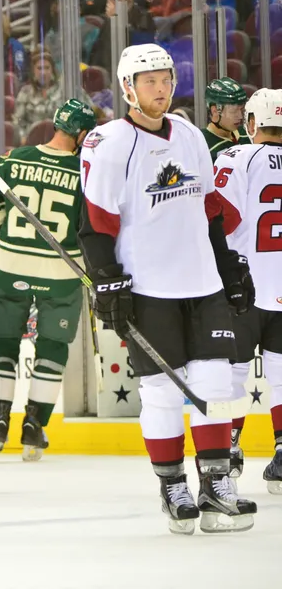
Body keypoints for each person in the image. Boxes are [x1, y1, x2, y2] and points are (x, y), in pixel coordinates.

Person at [77, 44, 256, 535]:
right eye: (149, 81)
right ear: (127, 88)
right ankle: (173, 485)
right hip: (148, 287)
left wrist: (228, 265)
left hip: (202, 283)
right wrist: (106, 279)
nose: (161, 88)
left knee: (217, 384)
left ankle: (217, 485)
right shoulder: (109, 142)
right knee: (161, 391)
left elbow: (210, 209)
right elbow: (95, 222)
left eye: (166, 79)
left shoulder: (191, 134)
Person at [0, 98, 96, 462]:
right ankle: (34, 425)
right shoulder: (85, 172)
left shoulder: (14, 159)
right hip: (61, 274)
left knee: (1, 344)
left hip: (10, 268)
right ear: (81, 133)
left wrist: (9, 232)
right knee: (52, 348)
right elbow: (90, 227)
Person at [208, 88, 282, 491]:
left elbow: (222, 218)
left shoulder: (236, 156)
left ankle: (228, 449)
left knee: (231, 373)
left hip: (243, 285)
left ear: (252, 122)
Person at [200, 77, 249, 159]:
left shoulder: (248, 134)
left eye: (242, 109)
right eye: (233, 111)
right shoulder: (201, 144)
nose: (240, 116)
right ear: (215, 111)